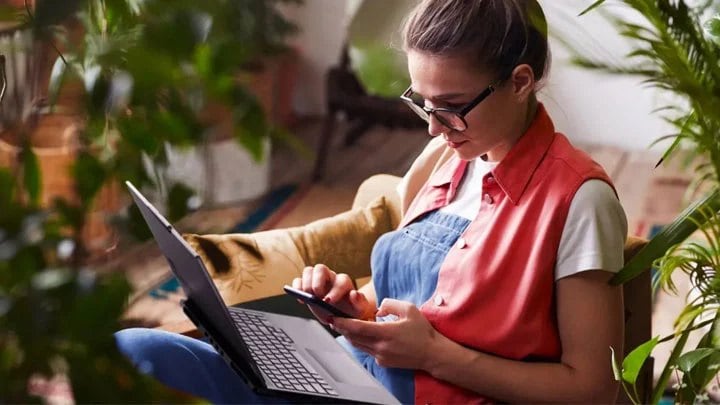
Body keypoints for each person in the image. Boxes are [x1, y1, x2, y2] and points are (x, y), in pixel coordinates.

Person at [115, 0, 628, 403]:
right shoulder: (442, 159)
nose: (431, 127)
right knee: (135, 350)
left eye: (451, 107)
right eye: (421, 102)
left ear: (520, 82)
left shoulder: (580, 200)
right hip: (348, 377)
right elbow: (411, 307)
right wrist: (350, 310)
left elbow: (592, 390)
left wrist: (435, 356)